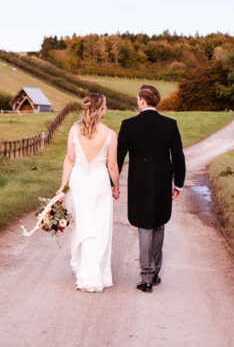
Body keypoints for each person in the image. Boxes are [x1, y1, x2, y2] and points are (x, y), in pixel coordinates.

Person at [116, 85, 185, 293]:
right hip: (163, 181)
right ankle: (154, 273)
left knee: (145, 226)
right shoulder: (170, 125)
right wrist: (178, 183)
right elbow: (178, 157)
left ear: (142, 101)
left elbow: (118, 157)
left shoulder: (128, 125)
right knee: (158, 223)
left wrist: (112, 182)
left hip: (139, 183)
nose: (138, 103)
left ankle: (146, 277)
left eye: (138, 100)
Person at [55, 93, 120, 292]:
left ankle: (85, 270)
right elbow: (112, 166)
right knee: (98, 229)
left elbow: (69, 160)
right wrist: (116, 187)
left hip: (79, 182)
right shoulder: (110, 134)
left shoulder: (74, 131)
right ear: (101, 109)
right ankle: (93, 275)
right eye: (106, 105)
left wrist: (63, 187)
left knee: (83, 227)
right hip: (100, 184)